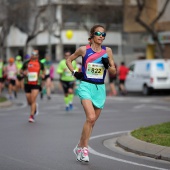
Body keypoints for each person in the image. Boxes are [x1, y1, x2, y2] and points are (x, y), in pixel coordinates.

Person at [66, 24, 116, 162]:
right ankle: (84, 149)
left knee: (92, 122)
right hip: (86, 86)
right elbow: (69, 60)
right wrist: (75, 72)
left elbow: (113, 71)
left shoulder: (108, 51)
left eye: (103, 35)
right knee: (91, 117)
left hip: (100, 89)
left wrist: (108, 66)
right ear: (92, 35)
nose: (101, 36)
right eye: (98, 34)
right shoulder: (83, 50)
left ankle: (80, 146)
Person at [21, 50, 45, 123]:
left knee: (33, 99)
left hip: (36, 83)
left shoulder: (40, 63)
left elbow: (44, 71)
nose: (34, 55)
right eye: (32, 54)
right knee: (29, 101)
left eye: (35, 54)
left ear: (38, 55)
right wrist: (23, 72)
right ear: (31, 55)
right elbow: (20, 70)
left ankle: (31, 116)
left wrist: (42, 75)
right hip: (27, 82)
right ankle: (35, 107)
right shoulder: (26, 62)